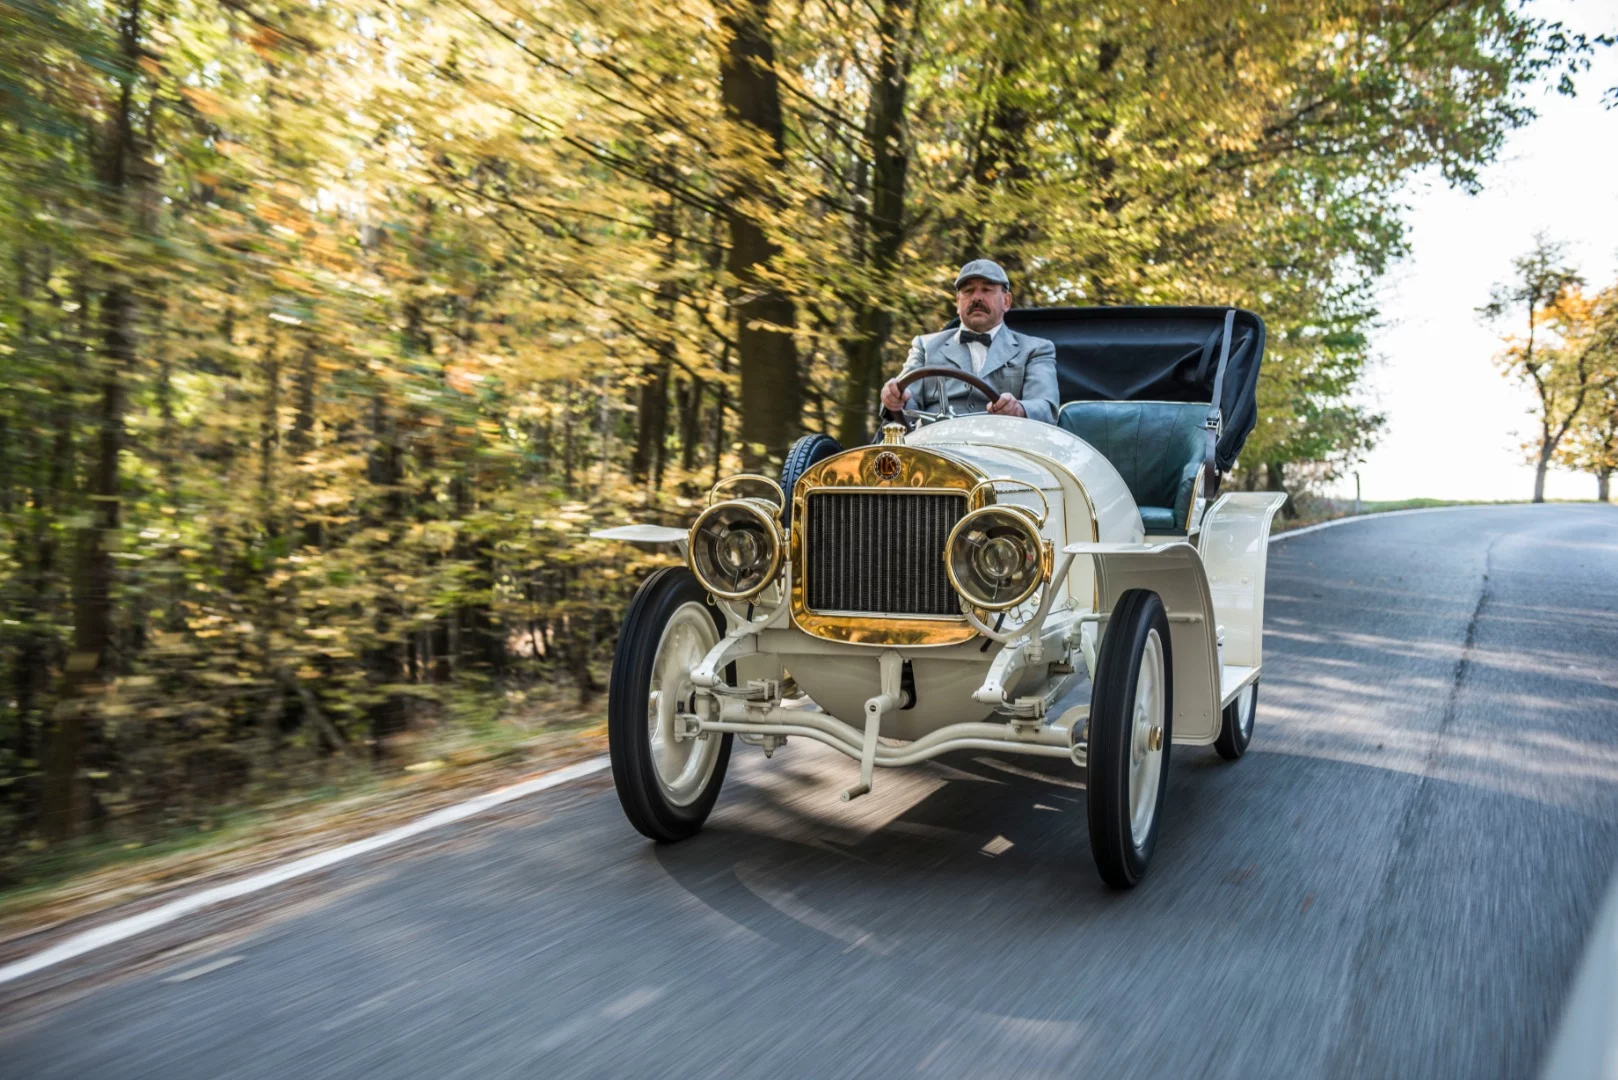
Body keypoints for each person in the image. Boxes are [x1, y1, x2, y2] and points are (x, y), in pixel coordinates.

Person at [880, 259, 1059, 424]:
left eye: (987, 290)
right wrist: (894, 398)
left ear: (1006, 301)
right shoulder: (925, 346)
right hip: (935, 449)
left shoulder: (1036, 349)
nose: (977, 298)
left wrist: (1019, 409)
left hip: (1004, 449)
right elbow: (906, 402)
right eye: (968, 291)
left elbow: (1045, 408)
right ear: (958, 303)